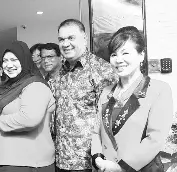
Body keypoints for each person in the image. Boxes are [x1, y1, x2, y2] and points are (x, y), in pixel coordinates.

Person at [91, 26, 173, 172]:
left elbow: (155, 139)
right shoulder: (106, 92)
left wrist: (121, 167)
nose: (118, 60)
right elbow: (97, 131)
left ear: (141, 55)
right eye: (114, 54)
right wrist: (97, 157)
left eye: (125, 53)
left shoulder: (159, 89)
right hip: (106, 167)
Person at [49, 19, 118, 172]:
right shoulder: (61, 71)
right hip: (60, 158)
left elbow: (110, 119)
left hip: (88, 162)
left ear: (85, 38)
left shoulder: (102, 71)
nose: (65, 44)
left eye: (71, 38)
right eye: (61, 39)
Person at [0, 40, 56, 172]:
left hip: (29, 163)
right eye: (5, 60)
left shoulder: (35, 85)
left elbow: (29, 118)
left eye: (14, 60)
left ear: (24, 60)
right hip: (5, 160)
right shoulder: (4, 88)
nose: (9, 65)